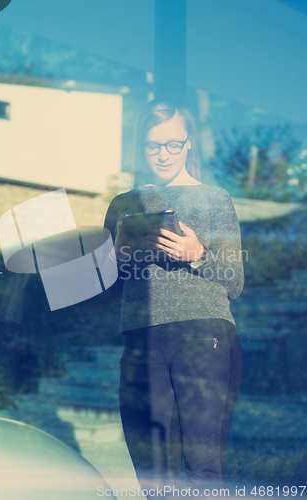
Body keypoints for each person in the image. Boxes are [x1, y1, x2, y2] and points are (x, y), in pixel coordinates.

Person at [100, 100, 244, 495]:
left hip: (204, 338)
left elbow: (235, 281)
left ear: (189, 144)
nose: (163, 155)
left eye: (173, 144)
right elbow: (111, 292)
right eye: (153, 146)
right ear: (141, 146)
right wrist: (117, 259)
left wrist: (196, 254)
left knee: (203, 468)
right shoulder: (123, 204)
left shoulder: (215, 199)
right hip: (141, 340)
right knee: (152, 474)